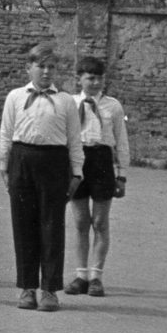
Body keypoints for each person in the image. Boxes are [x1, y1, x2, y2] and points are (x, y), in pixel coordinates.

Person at [0, 42, 84, 312]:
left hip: (54, 163)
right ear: (28, 68)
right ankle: (27, 288)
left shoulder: (66, 101)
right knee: (23, 225)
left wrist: (77, 172)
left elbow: (74, 140)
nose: (46, 72)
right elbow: (6, 133)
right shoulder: (15, 97)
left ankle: (49, 290)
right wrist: (4, 166)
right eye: (40, 66)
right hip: (21, 160)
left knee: (52, 226)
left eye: (51, 67)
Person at [64, 56, 129, 298]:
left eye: (99, 78)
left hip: (102, 161)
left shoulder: (113, 106)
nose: (95, 82)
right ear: (78, 79)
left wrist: (121, 175)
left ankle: (96, 277)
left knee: (100, 222)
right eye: (90, 78)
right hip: (78, 161)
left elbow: (121, 142)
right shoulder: (69, 103)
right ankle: (81, 275)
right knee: (81, 221)